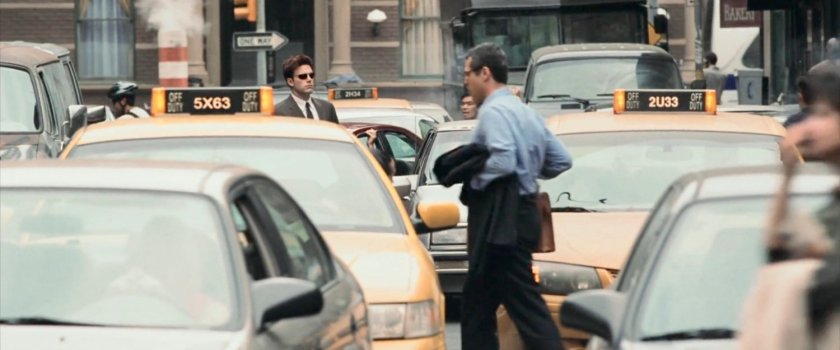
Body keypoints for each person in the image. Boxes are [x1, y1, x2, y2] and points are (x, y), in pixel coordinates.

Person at [459, 43, 573, 350]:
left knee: (523, 307)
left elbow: (503, 160)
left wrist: (475, 180)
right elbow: (561, 160)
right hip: (523, 215)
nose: (465, 81)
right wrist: (531, 170)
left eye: (468, 74)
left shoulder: (494, 112)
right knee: (478, 306)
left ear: (485, 73)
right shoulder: (527, 113)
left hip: (501, 219)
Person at [738, 69, 840, 350]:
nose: (808, 127)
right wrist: (787, 173)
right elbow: (777, 249)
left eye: (823, 115)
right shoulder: (831, 205)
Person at [274, 54, 339, 123]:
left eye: (311, 75)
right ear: (290, 82)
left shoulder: (327, 108)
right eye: (303, 76)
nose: (309, 79)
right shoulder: (278, 112)